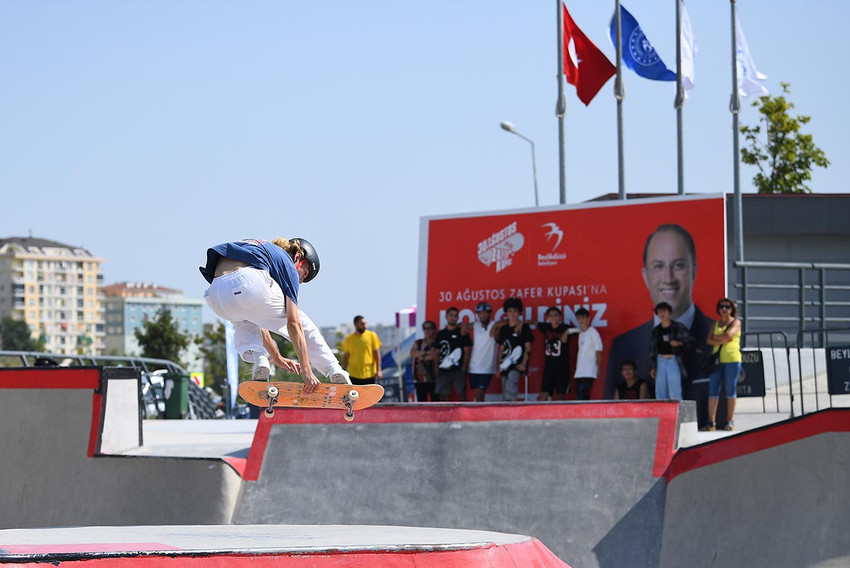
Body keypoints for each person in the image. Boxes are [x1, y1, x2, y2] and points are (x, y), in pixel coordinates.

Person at [199, 237, 350, 394]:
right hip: (249, 283)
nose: (300, 281)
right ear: (298, 257)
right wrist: (307, 371)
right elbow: (294, 324)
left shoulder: (260, 250)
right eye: (304, 274)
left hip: (216, 296)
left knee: (244, 320)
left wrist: (276, 357)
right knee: (303, 324)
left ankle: (260, 360)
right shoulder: (288, 263)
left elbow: (258, 315)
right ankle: (334, 370)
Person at [604, 224, 714, 422]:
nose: (668, 278)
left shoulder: (712, 333)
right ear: (645, 276)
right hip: (660, 367)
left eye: (678, 265)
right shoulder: (623, 345)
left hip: (700, 430)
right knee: (661, 397)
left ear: (694, 271)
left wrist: (678, 345)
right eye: (659, 266)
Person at [703, 298, 743, 431]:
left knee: (730, 390)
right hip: (717, 360)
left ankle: (730, 421)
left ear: (732, 309)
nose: (724, 309)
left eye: (727, 307)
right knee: (713, 390)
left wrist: (717, 338)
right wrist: (723, 338)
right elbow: (708, 340)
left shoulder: (736, 322)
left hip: (732, 359)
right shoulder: (715, 324)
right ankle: (711, 422)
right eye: (721, 307)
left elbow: (729, 335)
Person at [648, 302, 694, 400]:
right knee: (660, 392)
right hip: (660, 360)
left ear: (669, 312)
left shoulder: (677, 327)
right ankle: (662, 415)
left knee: (675, 391)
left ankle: (677, 415)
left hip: (674, 359)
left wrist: (679, 343)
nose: (662, 314)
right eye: (659, 312)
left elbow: (691, 341)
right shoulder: (656, 330)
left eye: (664, 311)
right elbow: (652, 350)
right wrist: (652, 366)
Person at [492, 297, 534, 401]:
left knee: (511, 386)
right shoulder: (504, 328)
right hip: (504, 364)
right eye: (510, 311)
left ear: (519, 312)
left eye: (515, 311)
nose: (512, 314)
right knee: (505, 389)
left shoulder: (524, 328)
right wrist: (498, 366)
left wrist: (524, 364)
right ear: (506, 312)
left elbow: (528, 347)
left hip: (517, 365)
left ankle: (514, 410)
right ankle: (506, 413)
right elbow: (501, 348)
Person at [537, 306, 577, 401]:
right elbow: (533, 323)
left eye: (556, 315)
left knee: (561, 396)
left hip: (562, 368)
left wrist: (567, 332)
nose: (553, 317)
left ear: (560, 317)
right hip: (549, 367)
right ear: (547, 317)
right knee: (543, 395)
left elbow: (581, 329)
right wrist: (521, 323)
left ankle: (561, 415)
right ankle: (541, 414)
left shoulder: (565, 328)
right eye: (551, 315)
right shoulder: (546, 327)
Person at [435, 306, 472, 401]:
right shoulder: (441, 334)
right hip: (443, 369)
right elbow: (437, 352)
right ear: (446, 316)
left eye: (455, 316)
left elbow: (467, 351)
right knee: (443, 396)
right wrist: (436, 367)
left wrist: (464, 368)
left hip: (458, 370)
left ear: (458, 318)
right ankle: (443, 415)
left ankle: (465, 415)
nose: (453, 317)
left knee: (461, 394)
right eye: (451, 315)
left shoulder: (462, 333)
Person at [467, 302, 498, 402]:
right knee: (477, 394)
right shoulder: (475, 325)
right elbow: (463, 326)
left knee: (479, 392)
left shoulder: (495, 324)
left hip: (487, 367)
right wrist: (462, 326)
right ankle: (478, 414)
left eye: (485, 313)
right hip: (473, 367)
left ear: (490, 313)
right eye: (480, 313)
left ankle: (480, 414)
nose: (483, 315)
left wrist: (496, 326)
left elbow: (507, 322)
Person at [342, 315, 382, 385]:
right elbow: (346, 356)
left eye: (365, 323)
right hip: (353, 374)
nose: (365, 326)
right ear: (356, 325)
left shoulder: (372, 336)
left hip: (369, 373)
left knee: (369, 395)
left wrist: (379, 370)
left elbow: (377, 354)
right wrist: (343, 371)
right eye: (362, 324)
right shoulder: (349, 339)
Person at [574, 307, 603, 400]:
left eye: (583, 317)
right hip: (579, 371)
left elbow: (598, 351)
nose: (581, 320)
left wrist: (598, 367)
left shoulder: (593, 332)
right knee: (582, 396)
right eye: (579, 318)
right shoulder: (581, 333)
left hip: (589, 371)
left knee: (581, 396)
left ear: (588, 318)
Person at [410, 320, 439, 402]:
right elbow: (412, 353)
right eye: (425, 328)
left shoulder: (437, 343)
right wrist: (427, 353)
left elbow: (435, 355)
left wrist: (421, 357)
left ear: (434, 329)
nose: (427, 331)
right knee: (421, 401)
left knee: (435, 401)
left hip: (434, 377)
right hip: (419, 378)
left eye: (430, 328)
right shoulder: (418, 342)